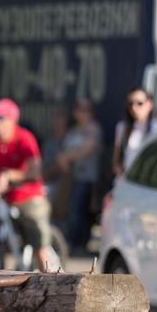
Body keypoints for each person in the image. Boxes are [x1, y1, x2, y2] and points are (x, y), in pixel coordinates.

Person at [0, 98, 52, 271]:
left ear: (11, 120)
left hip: (29, 195)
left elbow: (34, 171)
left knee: (38, 241)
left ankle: (52, 277)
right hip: (5, 198)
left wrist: (8, 175)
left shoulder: (25, 138)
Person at [57, 100, 102, 254]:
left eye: (84, 110)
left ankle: (78, 243)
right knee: (70, 209)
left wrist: (68, 157)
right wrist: (66, 158)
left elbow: (85, 150)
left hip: (88, 178)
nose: (81, 113)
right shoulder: (73, 131)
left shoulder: (93, 129)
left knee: (80, 210)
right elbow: (63, 153)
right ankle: (73, 242)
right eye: (78, 109)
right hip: (71, 178)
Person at [112, 87, 157, 177]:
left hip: (146, 183)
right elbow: (116, 160)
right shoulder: (122, 127)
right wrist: (121, 174)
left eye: (140, 103)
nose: (134, 108)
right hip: (125, 181)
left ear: (150, 104)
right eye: (130, 104)